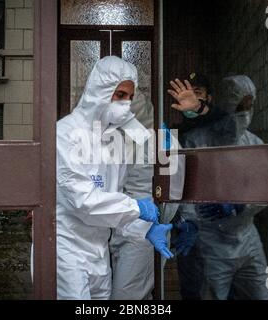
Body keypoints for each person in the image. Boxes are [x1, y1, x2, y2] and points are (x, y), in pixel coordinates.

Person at [56, 56, 174, 300]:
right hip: (66, 252)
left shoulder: (115, 142)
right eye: (119, 95)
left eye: (130, 97)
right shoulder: (65, 133)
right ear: (99, 91)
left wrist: (143, 230)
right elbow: (84, 202)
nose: (126, 104)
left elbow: (114, 200)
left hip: (98, 253)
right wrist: (137, 208)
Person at [170, 75, 268, 300]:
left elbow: (266, 187)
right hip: (210, 241)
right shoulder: (195, 141)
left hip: (247, 238)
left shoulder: (254, 144)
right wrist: (187, 223)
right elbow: (184, 191)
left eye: (249, 105)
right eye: (239, 106)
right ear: (226, 103)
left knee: (262, 295)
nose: (244, 112)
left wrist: (240, 205)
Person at [109, 91, 155, 300]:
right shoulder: (111, 143)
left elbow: (175, 188)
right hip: (112, 228)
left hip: (141, 230)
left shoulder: (161, 142)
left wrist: (179, 220)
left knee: (125, 295)